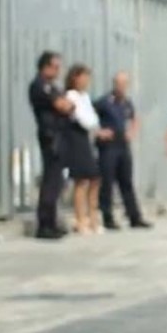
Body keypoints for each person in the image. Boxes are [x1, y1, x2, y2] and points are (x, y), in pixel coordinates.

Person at [94, 71, 152, 231]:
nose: (122, 87)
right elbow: (88, 118)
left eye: (124, 84)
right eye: (119, 83)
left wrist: (132, 131)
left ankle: (134, 217)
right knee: (107, 182)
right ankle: (107, 217)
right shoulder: (104, 102)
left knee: (126, 181)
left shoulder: (127, 102)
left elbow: (134, 118)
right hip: (108, 145)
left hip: (123, 144)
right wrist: (98, 132)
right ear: (114, 84)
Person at [28, 51, 73, 240]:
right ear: (45, 66)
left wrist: (66, 105)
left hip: (59, 135)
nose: (58, 71)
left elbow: (69, 105)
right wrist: (65, 105)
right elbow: (63, 105)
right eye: (55, 67)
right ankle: (44, 225)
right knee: (50, 181)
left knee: (57, 182)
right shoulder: (40, 85)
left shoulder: (53, 87)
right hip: (50, 136)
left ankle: (52, 222)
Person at [62, 64, 108, 234]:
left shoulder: (85, 97)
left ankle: (93, 218)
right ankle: (80, 219)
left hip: (86, 138)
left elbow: (92, 118)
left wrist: (96, 128)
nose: (86, 81)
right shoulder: (71, 96)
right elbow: (82, 118)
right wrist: (93, 126)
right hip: (76, 138)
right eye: (84, 77)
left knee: (95, 178)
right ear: (75, 78)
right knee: (81, 180)